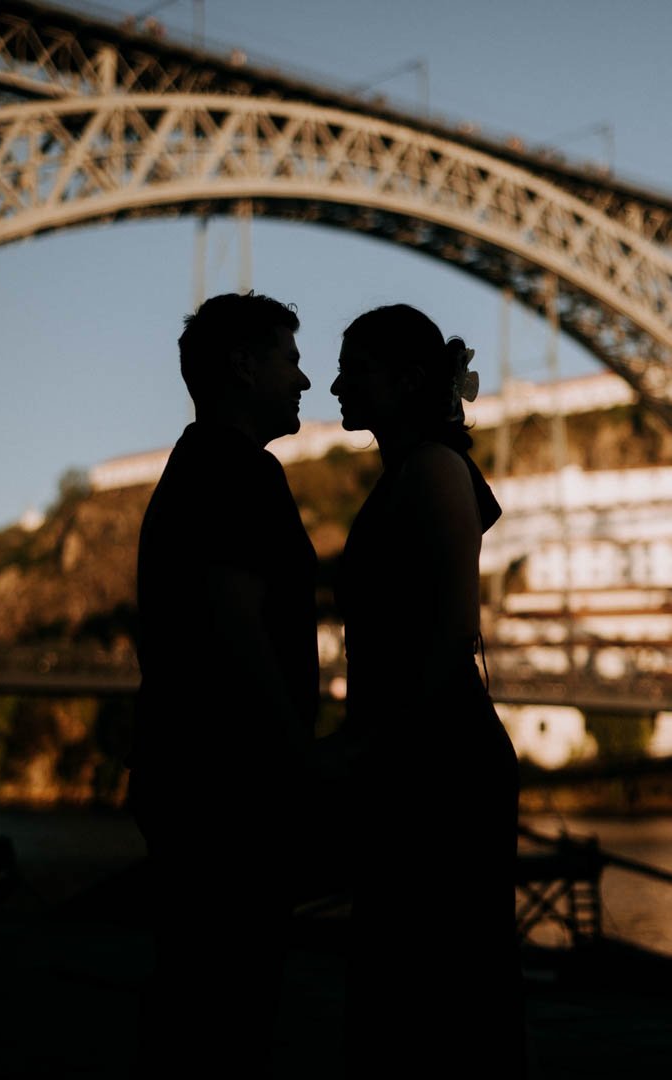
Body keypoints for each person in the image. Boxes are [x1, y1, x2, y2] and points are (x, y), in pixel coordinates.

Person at [330, 304, 527, 1077]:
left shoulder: (435, 472)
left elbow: (450, 633)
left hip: (436, 765)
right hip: (422, 755)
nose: (336, 382)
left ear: (410, 380)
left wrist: (358, 748)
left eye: (356, 367)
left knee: (437, 993)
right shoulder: (419, 471)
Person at [127, 291, 319, 1077]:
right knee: (231, 1015)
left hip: (190, 783)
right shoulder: (238, 473)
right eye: (289, 360)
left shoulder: (194, 466)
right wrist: (298, 764)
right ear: (243, 367)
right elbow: (238, 635)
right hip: (231, 792)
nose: (303, 381)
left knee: (202, 1006)